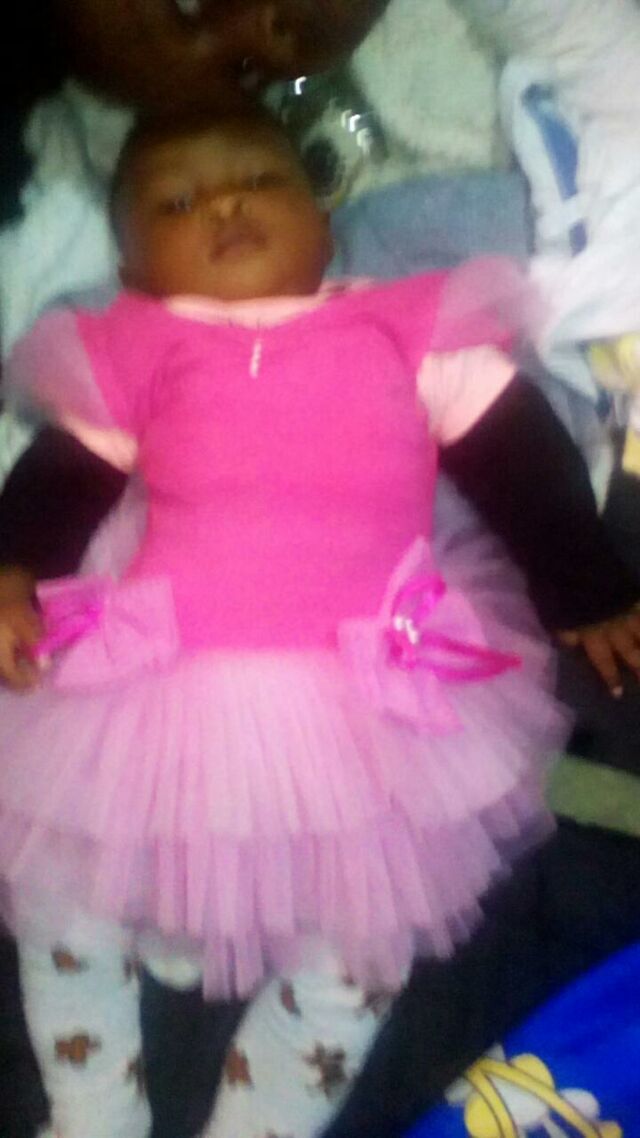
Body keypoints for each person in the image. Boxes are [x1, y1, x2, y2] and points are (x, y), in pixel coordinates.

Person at [0, 110, 639, 1138]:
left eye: (260, 179)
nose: (226, 203)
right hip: (160, 686)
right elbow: (63, 475)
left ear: (323, 218)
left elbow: (518, 457)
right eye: (178, 202)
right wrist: (14, 568)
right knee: (61, 889)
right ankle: (91, 1107)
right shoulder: (143, 345)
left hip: (359, 697)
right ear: (133, 270)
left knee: (365, 938)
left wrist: (584, 587)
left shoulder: (403, 325)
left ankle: (266, 1121)